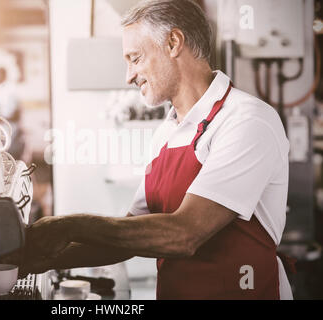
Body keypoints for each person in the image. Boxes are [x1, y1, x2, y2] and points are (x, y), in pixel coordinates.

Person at [24, 0, 293, 300]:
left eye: (135, 58)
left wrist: (69, 226)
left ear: (173, 42)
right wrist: (38, 259)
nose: (129, 76)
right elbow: (126, 238)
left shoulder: (247, 121)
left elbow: (185, 233)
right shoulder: (167, 133)